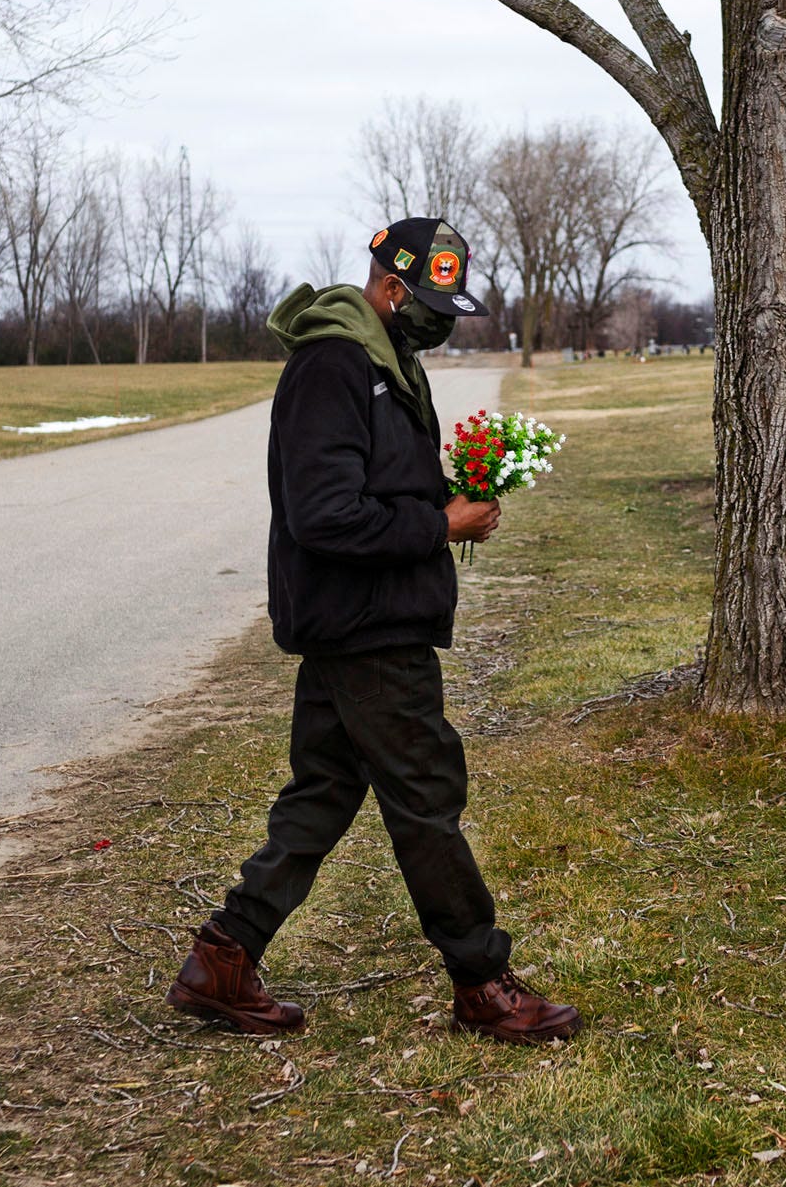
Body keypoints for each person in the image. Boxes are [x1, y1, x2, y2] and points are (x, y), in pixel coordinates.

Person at [165, 217, 581, 1045]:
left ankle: (225, 958)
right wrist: (441, 527)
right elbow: (324, 515)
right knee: (426, 798)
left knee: (322, 794)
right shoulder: (333, 364)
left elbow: (375, 486)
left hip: (361, 621)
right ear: (390, 287)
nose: (440, 321)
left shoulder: (386, 363)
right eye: (429, 303)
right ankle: (479, 980)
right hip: (366, 627)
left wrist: (446, 498)